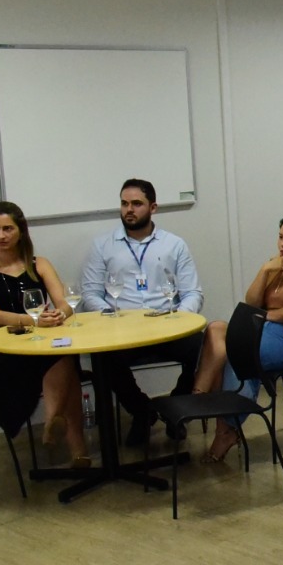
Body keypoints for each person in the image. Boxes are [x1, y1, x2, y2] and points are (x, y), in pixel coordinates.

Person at [189, 214, 283, 462]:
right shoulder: (276, 265)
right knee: (215, 329)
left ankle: (223, 427)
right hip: (264, 331)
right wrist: (266, 269)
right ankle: (201, 397)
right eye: (280, 237)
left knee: (236, 355)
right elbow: (251, 302)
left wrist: (261, 317)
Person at [81, 178, 204, 446]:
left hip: (168, 327)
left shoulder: (174, 245)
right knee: (103, 358)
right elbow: (90, 294)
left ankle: (176, 408)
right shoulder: (103, 245)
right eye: (124, 203)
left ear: (153, 207)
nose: (129, 209)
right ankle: (142, 411)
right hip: (123, 330)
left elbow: (193, 292)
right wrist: (111, 316)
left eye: (137, 203)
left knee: (204, 346)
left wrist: (180, 319)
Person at [0, 201, 89, 466]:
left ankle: (57, 427)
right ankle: (73, 445)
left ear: (21, 230)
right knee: (65, 367)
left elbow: (65, 302)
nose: (1, 236)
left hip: (40, 345)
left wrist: (60, 314)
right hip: (2, 353)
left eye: (7, 229)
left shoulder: (39, 264)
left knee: (64, 355)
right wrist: (34, 321)